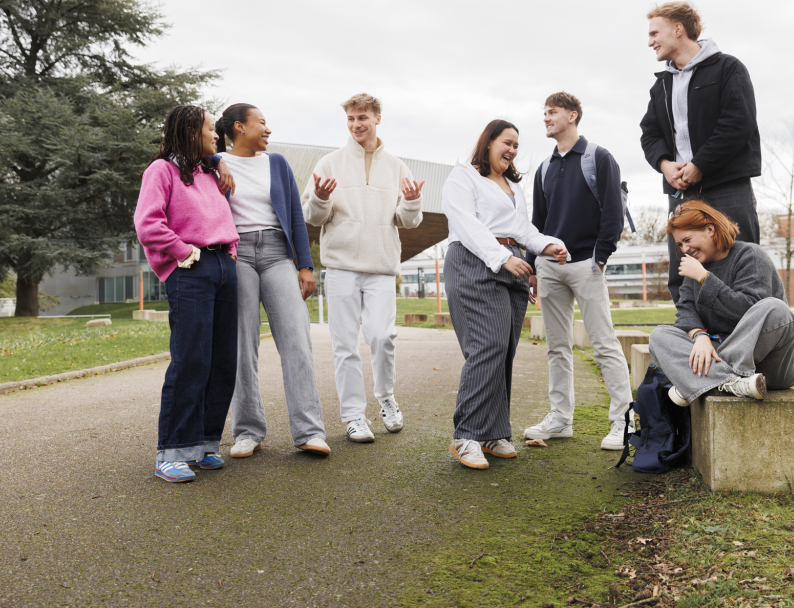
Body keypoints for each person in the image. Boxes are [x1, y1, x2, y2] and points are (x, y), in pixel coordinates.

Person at [442, 120, 568, 470]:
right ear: (488, 142)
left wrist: (548, 246)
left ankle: (493, 432)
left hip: (513, 265)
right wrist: (501, 258)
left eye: (516, 145)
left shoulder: (513, 186)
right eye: (506, 142)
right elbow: (466, 224)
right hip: (474, 260)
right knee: (488, 346)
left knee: (504, 350)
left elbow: (523, 230)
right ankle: (466, 435)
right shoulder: (463, 176)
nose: (512, 150)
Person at [300, 93, 424, 443]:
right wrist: (321, 197)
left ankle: (386, 397)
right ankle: (354, 416)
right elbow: (312, 216)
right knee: (345, 346)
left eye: (362, 118)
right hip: (341, 267)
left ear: (377, 118)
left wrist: (412, 201)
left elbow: (408, 221)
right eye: (351, 119)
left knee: (382, 337)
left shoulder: (397, 167)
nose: (356, 124)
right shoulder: (329, 163)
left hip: (381, 266)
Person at [213, 103, 330, 459]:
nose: (268, 130)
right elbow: (174, 157)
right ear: (239, 127)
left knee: (297, 338)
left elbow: (295, 213)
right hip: (237, 255)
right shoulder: (213, 163)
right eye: (261, 123)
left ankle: (309, 431)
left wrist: (305, 265)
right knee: (241, 344)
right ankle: (247, 432)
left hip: (278, 253)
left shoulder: (276, 163)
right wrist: (215, 160)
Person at [134, 105, 240, 483]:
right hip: (191, 268)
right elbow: (147, 224)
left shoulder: (210, 171)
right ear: (192, 132)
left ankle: (205, 444)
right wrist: (182, 251)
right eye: (211, 129)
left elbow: (223, 215)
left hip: (224, 267)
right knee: (191, 359)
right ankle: (173, 451)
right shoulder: (161, 170)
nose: (217, 135)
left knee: (223, 361)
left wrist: (231, 252)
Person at [523, 92, 633, 452]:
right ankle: (560, 419)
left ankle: (623, 421)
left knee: (604, 344)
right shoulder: (544, 168)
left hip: (587, 264)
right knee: (557, 347)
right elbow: (537, 223)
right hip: (549, 268)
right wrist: (533, 265)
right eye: (544, 113)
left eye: (552, 112)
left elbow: (613, 212)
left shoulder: (598, 157)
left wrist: (600, 257)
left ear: (572, 115)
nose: (545, 118)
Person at [639, 1, 762, 303]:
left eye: (655, 33)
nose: (650, 41)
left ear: (678, 29)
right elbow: (650, 134)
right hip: (681, 193)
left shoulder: (728, 68)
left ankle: (754, 329)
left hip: (727, 187)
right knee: (683, 273)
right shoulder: (661, 86)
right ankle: (692, 329)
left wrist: (700, 165)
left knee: (742, 261)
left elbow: (738, 123)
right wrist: (665, 164)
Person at [647, 202, 794, 407]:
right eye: (679, 245)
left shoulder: (751, 255)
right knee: (659, 336)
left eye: (687, 240)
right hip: (721, 355)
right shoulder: (694, 266)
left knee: (776, 309)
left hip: (773, 364)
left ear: (710, 230)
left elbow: (748, 311)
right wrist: (699, 335)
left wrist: (704, 278)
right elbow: (686, 310)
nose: (684, 249)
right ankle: (729, 383)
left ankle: (699, 381)